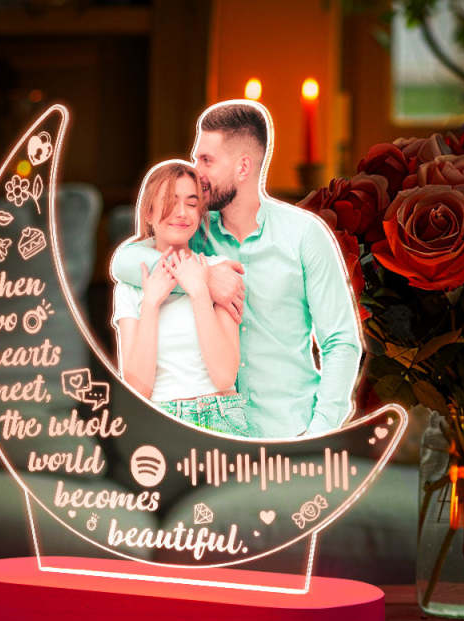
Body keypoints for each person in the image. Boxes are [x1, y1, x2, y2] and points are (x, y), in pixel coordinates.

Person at [110, 100, 363, 438]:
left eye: (206, 160)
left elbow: (341, 343)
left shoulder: (304, 235)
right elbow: (124, 262)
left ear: (243, 167)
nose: (196, 171)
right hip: (215, 436)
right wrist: (205, 278)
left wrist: (320, 432)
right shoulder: (194, 232)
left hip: (290, 430)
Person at [111, 160, 251, 437]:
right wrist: (150, 304)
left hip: (220, 415)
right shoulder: (131, 285)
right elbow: (138, 388)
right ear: (149, 212)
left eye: (191, 203)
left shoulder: (219, 272)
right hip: (159, 419)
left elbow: (224, 376)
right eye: (170, 201)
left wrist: (199, 291)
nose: (181, 212)